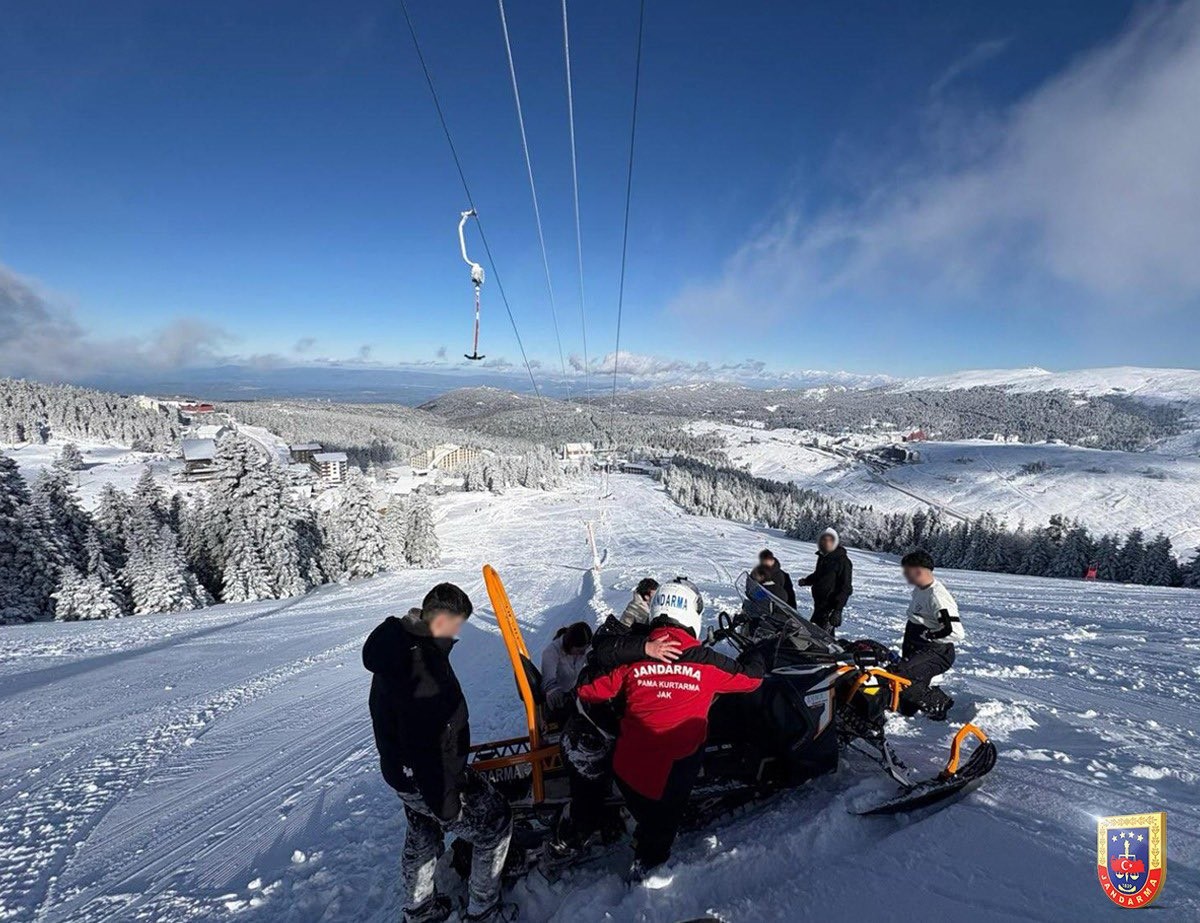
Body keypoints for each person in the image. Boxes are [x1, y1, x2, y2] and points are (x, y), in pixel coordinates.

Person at [577, 578, 764, 880]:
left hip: (627, 771)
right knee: (663, 824)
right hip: (671, 782)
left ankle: (641, 829)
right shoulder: (707, 662)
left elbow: (588, 689)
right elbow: (752, 679)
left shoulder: (636, 654)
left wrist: (629, 650)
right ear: (692, 613)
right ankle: (647, 870)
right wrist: (758, 650)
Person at [363, 584, 515, 923]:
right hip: (426, 777)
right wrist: (447, 803)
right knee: (495, 824)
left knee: (423, 831)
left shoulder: (399, 645)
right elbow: (426, 744)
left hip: (401, 772)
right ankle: (483, 912)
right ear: (443, 619)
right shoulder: (422, 669)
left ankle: (419, 910)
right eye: (458, 624)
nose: (459, 632)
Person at [546, 612, 682, 864]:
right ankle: (564, 843)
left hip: (585, 726)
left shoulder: (605, 659)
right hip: (584, 742)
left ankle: (603, 819)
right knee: (589, 801)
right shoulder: (606, 671)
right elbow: (591, 696)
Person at [894, 550, 963, 720]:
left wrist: (930, 636)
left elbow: (955, 631)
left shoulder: (937, 597)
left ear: (919, 571)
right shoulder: (920, 589)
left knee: (902, 674)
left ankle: (940, 703)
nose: (905, 576)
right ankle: (909, 709)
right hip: (916, 644)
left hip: (935, 651)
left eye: (907, 571)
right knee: (908, 680)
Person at [797, 527, 854, 636]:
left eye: (830, 540)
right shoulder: (824, 558)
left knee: (822, 638)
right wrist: (807, 581)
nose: (827, 543)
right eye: (824, 540)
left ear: (835, 541)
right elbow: (819, 575)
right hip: (819, 604)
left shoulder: (843, 561)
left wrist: (838, 610)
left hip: (830, 607)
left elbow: (846, 587)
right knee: (812, 633)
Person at [540, 621, 593, 720]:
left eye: (584, 650)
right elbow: (548, 681)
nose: (582, 654)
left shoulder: (583, 648)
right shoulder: (551, 652)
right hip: (560, 697)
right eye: (579, 650)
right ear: (569, 645)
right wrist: (554, 691)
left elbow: (592, 659)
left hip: (575, 692)